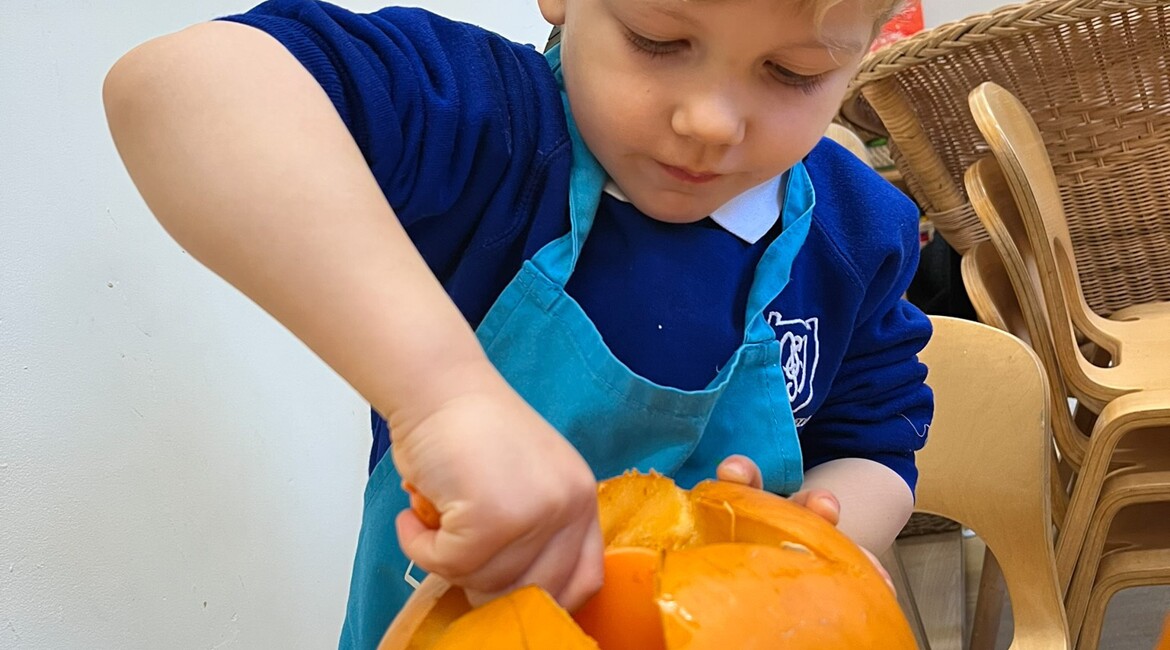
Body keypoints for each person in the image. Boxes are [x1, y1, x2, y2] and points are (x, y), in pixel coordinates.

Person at [103, 0, 933, 645]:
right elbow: (183, 85)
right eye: (657, 39)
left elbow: (876, 441)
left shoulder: (861, 233)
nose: (710, 121)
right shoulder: (479, 127)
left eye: (791, 73)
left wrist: (815, 541)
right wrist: (444, 398)